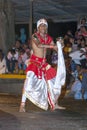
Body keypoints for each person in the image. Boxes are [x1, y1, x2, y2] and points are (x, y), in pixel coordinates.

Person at [19, 18, 66, 112]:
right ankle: (22, 105)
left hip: (43, 63)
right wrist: (52, 46)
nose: (43, 27)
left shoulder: (49, 38)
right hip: (34, 62)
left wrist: (60, 46)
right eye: (41, 25)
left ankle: (55, 103)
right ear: (38, 28)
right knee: (29, 80)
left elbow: (55, 48)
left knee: (55, 79)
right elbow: (39, 45)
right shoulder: (34, 36)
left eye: (45, 25)